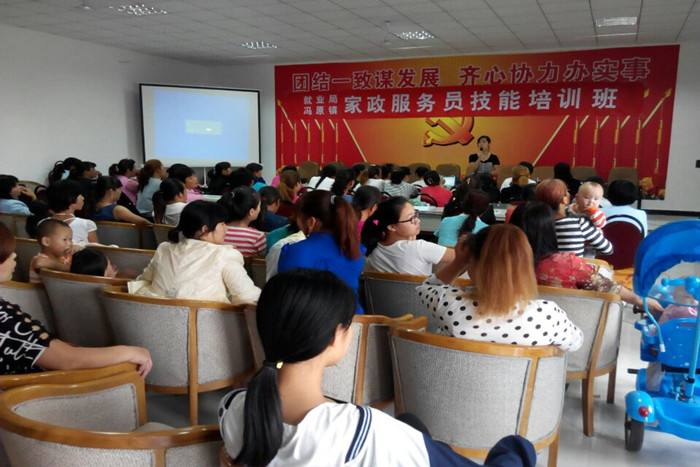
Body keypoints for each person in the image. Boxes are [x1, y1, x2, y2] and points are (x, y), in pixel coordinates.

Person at [219, 268, 537, 467]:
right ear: (335, 336)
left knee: (411, 423)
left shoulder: (233, 408)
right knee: (517, 449)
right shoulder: (365, 431)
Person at [0, 222, 152, 376]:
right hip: (45, 384)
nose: (14, 255)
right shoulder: (4, 319)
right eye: (6, 253)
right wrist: (131, 352)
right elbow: (68, 360)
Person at [417, 224, 584, 350]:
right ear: (526, 266)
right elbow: (576, 342)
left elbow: (426, 288)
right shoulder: (548, 316)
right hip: (520, 388)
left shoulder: (448, 303)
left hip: (450, 386)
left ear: (473, 263)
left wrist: (459, 262)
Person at [516, 202, 663, 313]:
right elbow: (608, 287)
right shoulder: (566, 264)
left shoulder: (505, 263)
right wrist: (640, 301)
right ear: (550, 230)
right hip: (565, 320)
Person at [129, 201, 260, 304]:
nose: (226, 228)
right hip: (206, 326)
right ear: (205, 229)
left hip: (154, 323)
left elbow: (144, 280)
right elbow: (248, 297)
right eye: (222, 224)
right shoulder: (224, 254)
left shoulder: (164, 249)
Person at [277, 190, 365, 313]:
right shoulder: (356, 249)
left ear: (311, 221)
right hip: (353, 319)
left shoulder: (293, 251)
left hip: (309, 321)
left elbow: (285, 298)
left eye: (298, 219)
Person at [362, 197, 453, 275]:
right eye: (411, 218)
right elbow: (460, 256)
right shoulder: (419, 248)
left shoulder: (372, 250)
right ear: (392, 227)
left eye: (416, 215)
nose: (418, 221)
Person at [535, 178, 612, 257]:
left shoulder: (535, 223)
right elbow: (608, 249)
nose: (591, 202)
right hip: (574, 264)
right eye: (567, 191)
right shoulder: (579, 223)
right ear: (565, 199)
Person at [46, 180, 98, 246]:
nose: (83, 198)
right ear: (70, 197)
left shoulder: (43, 223)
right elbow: (96, 250)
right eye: (80, 195)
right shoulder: (86, 224)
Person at [219, 187, 266, 257]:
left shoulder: (215, 232)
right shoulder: (257, 237)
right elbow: (261, 260)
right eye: (259, 206)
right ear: (251, 212)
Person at [28, 219, 73, 284]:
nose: (70, 243)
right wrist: (68, 268)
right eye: (64, 239)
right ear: (46, 242)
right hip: (39, 290)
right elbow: (39, 263)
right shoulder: (39, 259)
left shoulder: (63, 258)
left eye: (70, 239)